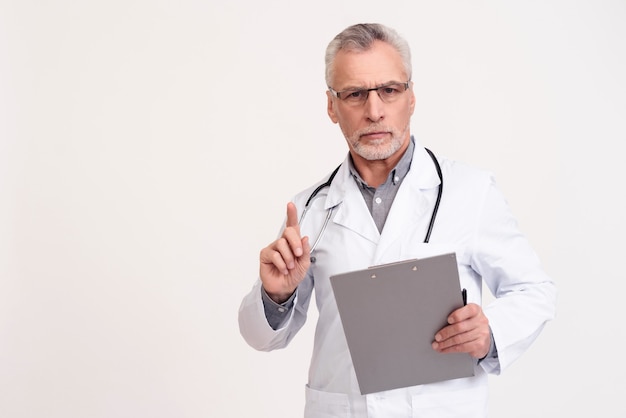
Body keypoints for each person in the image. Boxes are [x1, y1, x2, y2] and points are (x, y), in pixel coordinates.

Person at [238, 23, 557, 418]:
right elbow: (261, 338)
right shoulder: (307, 210)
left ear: (411, 97)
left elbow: (534, 290)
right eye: (355, 94)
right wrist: (276, 297)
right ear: (331, 106)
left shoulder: (470, 191)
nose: (374, 111)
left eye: (389, 90)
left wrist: (490, 332)